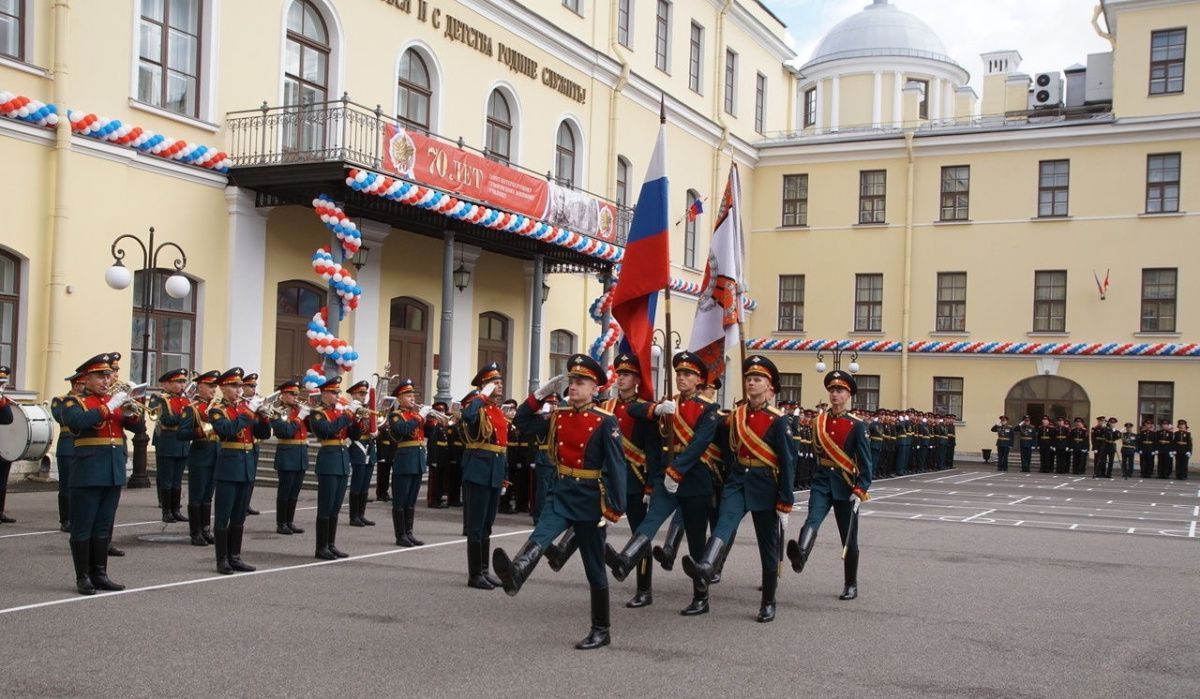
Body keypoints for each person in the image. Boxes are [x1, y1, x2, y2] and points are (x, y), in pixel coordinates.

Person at [493, 354, 625, 650]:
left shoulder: (605, 421)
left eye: (581, 382)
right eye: (571, 381)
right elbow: (523, 423)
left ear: (595, 388)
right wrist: (539, 395)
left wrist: (615, 506)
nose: (574, 386)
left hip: (591, 498)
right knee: (540, 535)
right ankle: (516, 574)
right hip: (562, 490)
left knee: (594, 567)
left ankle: (601, 629)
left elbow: (617, 466)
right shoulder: (559, 416)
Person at [607, 350, 722, 617]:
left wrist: (676, 473)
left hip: (693, 479)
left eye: (688, 375)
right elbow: (632, 408)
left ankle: (701, 597)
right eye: (679, 373)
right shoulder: (668, 404)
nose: (682, 378)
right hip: (665, 477)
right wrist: (656, 408)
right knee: (650, 521)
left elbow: (698, 445)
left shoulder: (709, 410)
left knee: (695, 540)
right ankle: (626, 560)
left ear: (699, 380)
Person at [681, 356, 796, 622]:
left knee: (767, 545)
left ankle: (768, 601)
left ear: (770, 387)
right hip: (738, 480)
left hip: (766, 484)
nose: (751, 383)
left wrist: (786, 500)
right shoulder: (736, 415)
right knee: (724, 524)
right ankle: (706, 566)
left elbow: (788, 463)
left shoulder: (778, 420)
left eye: (757, 379)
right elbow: (712, 427)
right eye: (748, 379)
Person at [548, 352, 661, 608]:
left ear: (637, 380)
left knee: (639, 534)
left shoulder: (645, 410)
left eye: (627, 374)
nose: (621, 378)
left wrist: (651, 484)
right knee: (586, 523)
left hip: (633, 479)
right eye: (619, 374)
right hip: (602, 481)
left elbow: (653, 450)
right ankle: (564, 553)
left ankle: (644, 588)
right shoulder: (605, 407)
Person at [61, 354, 145, 595]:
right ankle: (83, 576)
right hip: (88, 471)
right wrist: (109, 406)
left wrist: (131, 412)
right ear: (86, 378)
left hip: (112, 471)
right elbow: (79, 421)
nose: (106, 380)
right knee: (83, 526)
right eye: (100, 376)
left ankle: (100, 573)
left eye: (108, 375)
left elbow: (138, 429)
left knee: (103, 527)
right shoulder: (75, 402)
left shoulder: (114, 401)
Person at [785, 370, 873, 601]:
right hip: (823, 481)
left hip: (846, 485)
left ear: (848, 395)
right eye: (832, 390)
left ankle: (850, 583)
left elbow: (866, 462)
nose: (835, 394)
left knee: (849, 538)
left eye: (840, 391)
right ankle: (801, 554)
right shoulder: (818, 422)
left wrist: (861, 488)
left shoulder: (857, 426)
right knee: (812, 519)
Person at [209, 368, 271, 574]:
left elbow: (263, 433)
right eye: (234, 386)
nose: (238, 390)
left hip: (246, 466)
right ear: (223, 387)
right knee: (223, 515)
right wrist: (248, 412)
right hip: (228, 466)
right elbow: (226, 430)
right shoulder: (217, 410)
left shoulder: (246, 408)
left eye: (239, 386)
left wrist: (263, 417)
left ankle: (235, 556)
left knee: (239, 516)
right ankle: (222, 560)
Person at [459, 362, 511, 590]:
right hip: (478, 471)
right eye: (495, 383)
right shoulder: (476, 406)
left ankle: (484, 571)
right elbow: (467, 416)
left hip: (494, 470)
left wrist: (504, 475)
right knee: (476, 525)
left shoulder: (497, 411)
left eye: (500, 382)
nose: (500, 386)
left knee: (488, 525)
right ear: (484, 386)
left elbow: (502, 445)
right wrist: (481, 395)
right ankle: (474, 575)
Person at [309, 376, 359, 559]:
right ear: (324, 394)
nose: (337, 395)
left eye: (338, 392)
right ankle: (321, 547)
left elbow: (354, 434)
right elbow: (328, 430)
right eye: (334, 392)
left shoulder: (340, 413)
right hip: (328, 461)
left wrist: (358, 420)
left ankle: (331, 544)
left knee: (336, 507)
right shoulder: (317, 413)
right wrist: (347, 416)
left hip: (342, 460)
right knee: (326, 506)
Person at [385, 379, 432, 547]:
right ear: (400, 398)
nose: (413, 399)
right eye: (409, 396)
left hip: (418, 461)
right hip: (404, 461)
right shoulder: (396, 416)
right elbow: (402, 430)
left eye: (413, 395)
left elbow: (429, 433)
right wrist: (420, 416)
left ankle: (409, 533)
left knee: (411, 500)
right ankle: (400, 535)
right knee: (401, 500)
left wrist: (434, 421)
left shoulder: (414, 415)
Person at [180, 370, 220, 546]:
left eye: (215, 386)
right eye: (210, 386)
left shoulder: (218, 407)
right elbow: (181, 434)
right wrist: (202, 430)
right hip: (200, 456)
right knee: (196, 496)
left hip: (216, 455)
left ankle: (205, 529)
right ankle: (195, 532)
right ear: (200, 386)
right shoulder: (192, 408)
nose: (214, 389)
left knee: (208, 496)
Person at [149, 368, 192, 523]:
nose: (182, 385)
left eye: (183, 382)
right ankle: (166, 511)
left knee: (177, 479)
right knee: (167, 479)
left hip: (183, 443)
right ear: (167, 383)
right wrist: (186, 416)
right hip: (168, 441)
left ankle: (176, 510)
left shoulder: (186, 399)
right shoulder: (160, 399)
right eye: (178, 382)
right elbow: (166, 420)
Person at [269, 380, 311, 535]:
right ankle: (281, 523)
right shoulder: (276, 410)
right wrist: (300, 417)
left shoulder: (299, 409)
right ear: (283, 394)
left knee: (295, 491)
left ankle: (290, 521)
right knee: (285, 491)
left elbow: (311, 428)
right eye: (292, 394)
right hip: (287, 453)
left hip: (300, 453)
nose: (295, 397)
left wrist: (309, 415)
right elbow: (285, 431)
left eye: (296, 394)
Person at [50, 372, 86, 531]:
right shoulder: (60, 401)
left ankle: (79, 517)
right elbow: (62, 418)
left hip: (84, 446)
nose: (84, 388)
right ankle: (65, 520)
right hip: (68, 446)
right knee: (66, 485)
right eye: (83, 385)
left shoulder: (88, 401)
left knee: (83, 485)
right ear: (76, 385)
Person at [345, 380, 376, 528]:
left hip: (369, 446)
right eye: (360, 393)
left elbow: (374, 425)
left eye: (364, 394)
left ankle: (361, 515)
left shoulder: (367, 409)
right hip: (357, 447)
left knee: (365, 484)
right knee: (357, 483)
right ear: (353, 394)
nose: (363, 396)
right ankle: (353, 516)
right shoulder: (350, 409)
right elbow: (352, 431)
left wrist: (376, 430)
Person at [240, 373, 263, 516]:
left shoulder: (257, 401)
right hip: (243, 444)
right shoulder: (241, 403)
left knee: (251, 477)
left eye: (255, 386)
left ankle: (247, 503)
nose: (254, 388)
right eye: (251, 386)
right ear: (243, 387)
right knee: (243, 477)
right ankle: (241, 504)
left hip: (255, 443)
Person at [425, 401, 449, 508]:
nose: (441, 412)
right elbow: (433, 442)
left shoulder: (443, 424)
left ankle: (438, 499)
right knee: (434, 480)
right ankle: (432, 500)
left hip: (443, 455)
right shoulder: (432, 424)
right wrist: (433, 459)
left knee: (440, 480)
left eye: (443, 410)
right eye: (439, 410)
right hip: (435, 455)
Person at [0, 366, 14, 524]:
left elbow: (8, 419)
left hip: (3, 444)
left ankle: (0, 511)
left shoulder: (2, 400)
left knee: (2, 479)